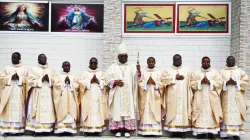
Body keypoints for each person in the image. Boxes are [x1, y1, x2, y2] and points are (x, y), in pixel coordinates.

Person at [105, 42, 141, 138]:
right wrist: (115, 82)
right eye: (122, 56)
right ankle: (118, 130)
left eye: (125, 56)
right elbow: (107, 78)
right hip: (117, 92)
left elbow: (136, 79)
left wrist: (139, 72)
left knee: (127, 110)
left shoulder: (132, 67)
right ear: (118, 57)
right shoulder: (113, 67)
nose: (124, 58)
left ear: (127, 57)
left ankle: (127, 130)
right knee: (117, 110)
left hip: (128, 93)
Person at [190, 56, 223, 139]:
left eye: (207, 62)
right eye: (204, 62)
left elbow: (220, 83)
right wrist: (200, 82)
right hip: (199, 97)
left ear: (209, 62)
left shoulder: (215, 73)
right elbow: (192, 84)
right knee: (199, 113)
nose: (206, 63)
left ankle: (211, 133)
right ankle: (201, 133)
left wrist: (210, 82)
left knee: (211, 114)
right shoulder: (196, 73)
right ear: (201, 63)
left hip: (211, 98)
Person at [25, 54, 58, 136]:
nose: (43, 59)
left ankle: (47, 130)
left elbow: (57, 81)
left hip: (48, 94)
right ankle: (36, 130)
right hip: (37, 94)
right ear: (38, 59)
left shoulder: (51, 70)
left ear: (47, 59)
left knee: (48, 111)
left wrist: (49, 80)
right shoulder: (33, 69)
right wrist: (40, 80)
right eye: (41, 58)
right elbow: (28, 81)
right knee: (37, 110)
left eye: (44, 58)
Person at [161, 54, 192, 139]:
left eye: (178, 59)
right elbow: (163, 80)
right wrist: (174, 77)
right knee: (172, 113)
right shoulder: (168, 70)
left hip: (183, 97)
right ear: (173, 60)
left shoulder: (187, 70)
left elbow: (191, 83)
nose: (177, 61)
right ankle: (173, 132)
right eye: (175, 59)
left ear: (181, 60)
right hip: (171, 97)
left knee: (182, 113)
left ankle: (183, 133)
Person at [220, 56, 249, 140]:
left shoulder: (240, 72)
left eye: (232, 60)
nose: (231, 62)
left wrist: (236, 82)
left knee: (237, 115)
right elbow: (218, 82)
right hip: (226, 97)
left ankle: (236, 134)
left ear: (234, 61)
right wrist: (226, 83)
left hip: (237, 98)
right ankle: (225, 134)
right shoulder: (222, 72)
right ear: (226, 61)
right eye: (229, 60)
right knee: (226, 115)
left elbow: (246, 81)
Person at [0, 52, 28, 136]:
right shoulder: (7, 68)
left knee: (18, 110)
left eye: (16, 58)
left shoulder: (24, 69)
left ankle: (18, 130)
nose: (14, 59)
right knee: (7, 110)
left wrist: (19, 78)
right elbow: (1, 78)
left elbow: (27, 79)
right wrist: (10, 77)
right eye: (12, 58)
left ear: (19, 59)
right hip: (8, 93)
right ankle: (6, 130)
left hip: (19, 92)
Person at [78, 57, 107, 135]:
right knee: (88, 112)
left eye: (95, 63)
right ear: (89, 64)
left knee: (97, 112)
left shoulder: (101, 73)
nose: (93, 64)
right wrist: (89, 82)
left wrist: (98, 81)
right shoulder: (84, 73)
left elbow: (105, 83)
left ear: (97, 64)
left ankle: (97, 130)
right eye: (92, 63)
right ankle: (88, 130)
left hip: (98, 97)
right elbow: (80, 82)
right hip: (87, 97)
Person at [138, 57, 163, 136]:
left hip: (155, 96)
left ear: (155, 62)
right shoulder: (144, 72)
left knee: (155, 112)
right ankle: (145, 131)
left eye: (152, 62)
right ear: (147, 62)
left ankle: (155, 131)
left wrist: (155, 83)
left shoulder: (159, 72)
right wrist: (146, 83)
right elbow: (140, 83)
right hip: (146, 96)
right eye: (149, 62)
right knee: (146, 112)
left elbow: (162, 83)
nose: (151, 63)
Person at [53, 61, 79, 136]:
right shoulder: (58, 76)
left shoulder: (73, 76)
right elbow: (56, 86)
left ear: (70, 67)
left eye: (68, 66)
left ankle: (70, 131)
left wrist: (70, 83)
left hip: (71, 98)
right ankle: (61, 131)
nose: (67, 68)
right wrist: (64, 83)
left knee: (70, 114)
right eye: (65, 66)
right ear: (62, 67)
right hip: (62, 99)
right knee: (62, 113)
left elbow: (77, 86)